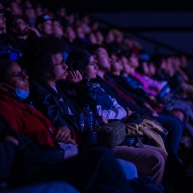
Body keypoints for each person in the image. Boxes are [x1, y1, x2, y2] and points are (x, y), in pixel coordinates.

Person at [0, 62, 134, 193]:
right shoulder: (2, 108)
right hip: (34, 165)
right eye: (19, 76)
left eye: (25, 73)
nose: (26, 77)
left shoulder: (25, 105)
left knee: (123, 170)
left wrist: (66, 133)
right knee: (102, 158)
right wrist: (14, 142)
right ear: (3, 86)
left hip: (54, 153)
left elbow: (46, 130)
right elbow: (16, 140)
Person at [24, 37, 166, 187]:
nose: (66, 66)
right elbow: (62, 120)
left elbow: (89, 110)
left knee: (159, 152)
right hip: (85, 144)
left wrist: (82, 87)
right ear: (45, 69)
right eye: (60, 63)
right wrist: (93, 118)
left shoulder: (61, 88)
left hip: (94, 138)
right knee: (153, 159)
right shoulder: (41, 92)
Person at [85, 44, 184, 155]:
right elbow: (120, 102)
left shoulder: (108, 79)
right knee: (174, 125)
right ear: (94, 58)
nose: (109, 59)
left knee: (177, 121)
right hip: (130, 114)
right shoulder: (97, 83)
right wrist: (144, 110)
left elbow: (128, 94)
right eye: (104, 54)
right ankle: (172, 165)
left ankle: (174, 160)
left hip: (136, 110)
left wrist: (144, 103)